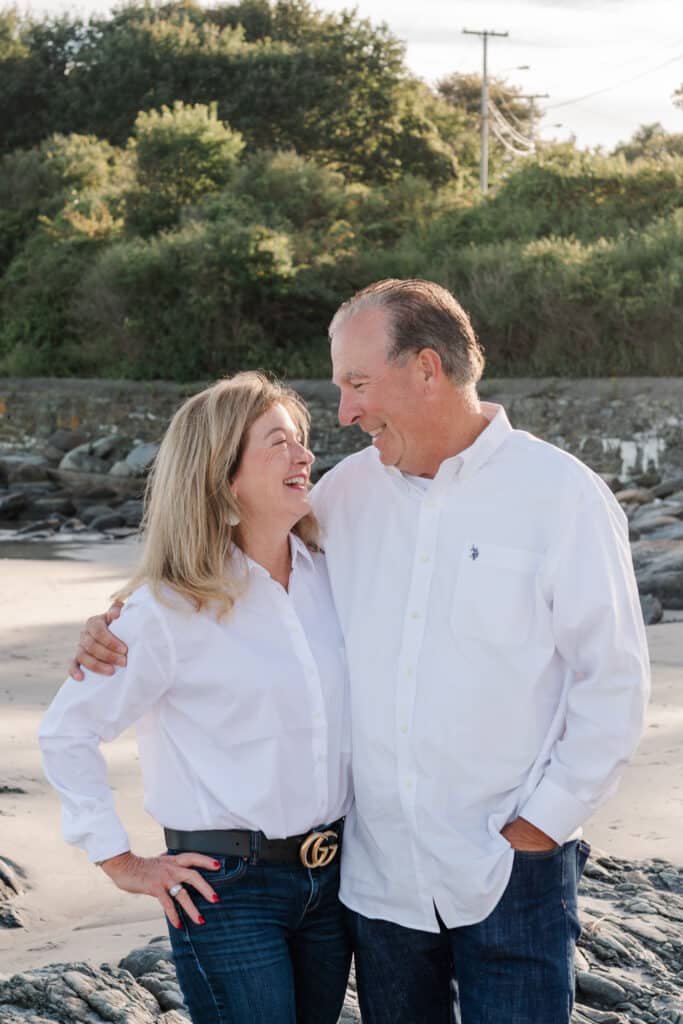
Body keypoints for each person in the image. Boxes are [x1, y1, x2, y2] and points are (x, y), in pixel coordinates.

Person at [71, 279, 650, 1024]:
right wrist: (119, 615)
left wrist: (539, 826)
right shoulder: (341, 496)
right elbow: (227, 551)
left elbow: (612, 684)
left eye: (356, 383)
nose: (344, 412)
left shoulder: (560, 496)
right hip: (378, 884)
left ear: (427, 370)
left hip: (514, 868)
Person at [40, 372, 353, 1024]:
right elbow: (67, 732)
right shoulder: (165, 609)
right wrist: (122, 862)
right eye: (279, 443)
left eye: (302, 441)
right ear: (223, 474)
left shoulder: (336, 577)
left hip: (337, 878)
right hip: (228, 888)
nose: (305, 456)